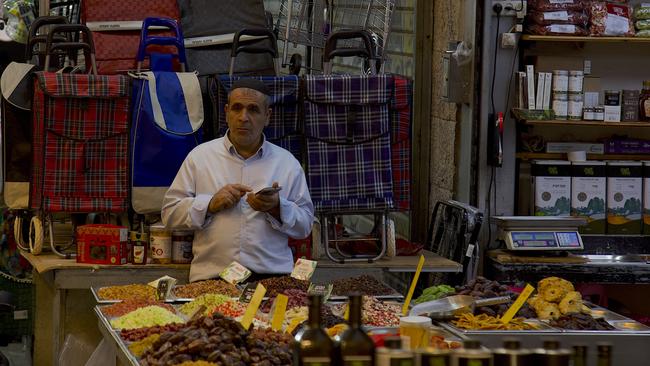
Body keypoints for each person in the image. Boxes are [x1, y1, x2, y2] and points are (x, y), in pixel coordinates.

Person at [162, 79, 314, 282]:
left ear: (267, 116)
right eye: (237, 108)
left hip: (272, 279)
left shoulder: (286, 163)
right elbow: (170, 214)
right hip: (212, 279)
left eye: (253, 110)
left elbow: (305, 225)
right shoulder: (200, 157)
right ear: (226, 112)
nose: (244, 117)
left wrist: (278, 207)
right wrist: (209, 205)